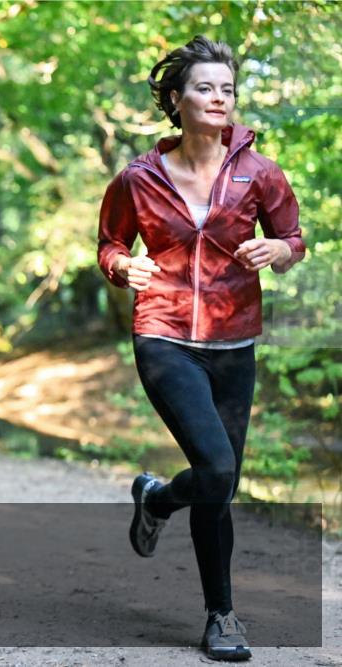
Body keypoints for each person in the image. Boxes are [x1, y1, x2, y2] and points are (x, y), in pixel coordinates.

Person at [97, 36, 305, 661]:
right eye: (205, 88)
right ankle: (224, 616)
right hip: (163, 335)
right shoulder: (138, 178)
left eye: (228, 89)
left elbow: (292, 237)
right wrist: (120, 267)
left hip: (234, 338)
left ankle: (158, 499)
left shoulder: (258, 172)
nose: (219, 98)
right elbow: (109, 243)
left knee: (222, 483)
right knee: (215, 470)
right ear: (176, 100)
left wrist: (280, 251)